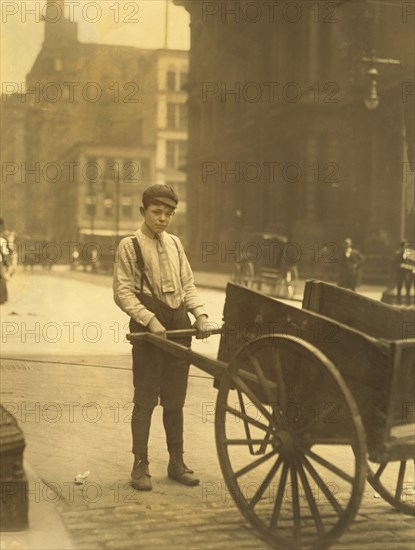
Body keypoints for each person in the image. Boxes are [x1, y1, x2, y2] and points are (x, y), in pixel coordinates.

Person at [113, 184, 210, 491]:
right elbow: (123, 292)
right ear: (143, 211)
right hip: (148, 328)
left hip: (179, 322)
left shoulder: (176, 244)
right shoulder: (129, 246)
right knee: (145, 398)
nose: (163, 218)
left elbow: (188, 285)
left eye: (168, 213)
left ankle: (176, 461)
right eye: (157, 212)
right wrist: (150, 320)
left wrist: (200, 315)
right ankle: (139, 465)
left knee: (175, 399)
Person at [0, 218, 10, 304]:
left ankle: (2, 298)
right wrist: (6, 263)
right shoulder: (2, 239)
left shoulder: (2, 239)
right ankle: (2, 298)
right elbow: (5, 252)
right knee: (1, 278)